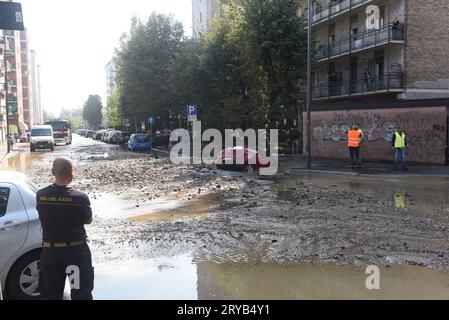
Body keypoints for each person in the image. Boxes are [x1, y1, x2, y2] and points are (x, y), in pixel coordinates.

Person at [37, 157, 94, 300]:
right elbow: (88, 220)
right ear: (72, 174)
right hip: (75, 255)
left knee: (50, 294)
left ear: (52, 172)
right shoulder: (80, 198)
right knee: (80, 293)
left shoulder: (41, 195)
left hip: (51, 254)